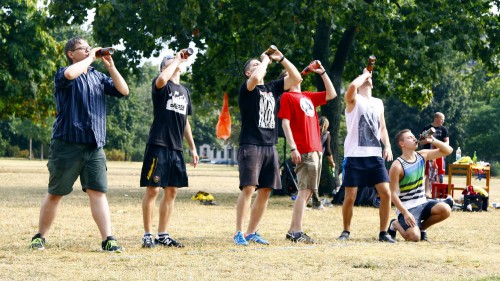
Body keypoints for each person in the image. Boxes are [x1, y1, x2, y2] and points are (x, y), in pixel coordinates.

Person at [29, 36, 129, 252]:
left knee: (97, 192)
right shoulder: (64, 74)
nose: (88, 50)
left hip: (94, 145)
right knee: (56, 192)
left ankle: (108, 239)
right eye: (82, 48)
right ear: (70, 54)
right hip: (67, 143)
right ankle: (40, 236)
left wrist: (111, 67)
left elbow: (124, 90)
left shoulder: (98, 77)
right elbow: (70, 73)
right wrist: (91, 57)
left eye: (89, 47)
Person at [234, 47, 302, 246]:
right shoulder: (248, 88)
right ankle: (238, 232)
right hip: (251, 144)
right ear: (248, 72)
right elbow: (255, 79)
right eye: (253, 65)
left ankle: (251, 232)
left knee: (265, 190)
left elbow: (297, 78)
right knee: (249, 188)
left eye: (259, 63)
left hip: (269, 145)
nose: (259, 66)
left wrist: (281, 58)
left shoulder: (272, 87)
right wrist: (263, 60)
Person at [139, 51, 199, 248]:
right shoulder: (161, 84)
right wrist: (176, 60)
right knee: (154, 189)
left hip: (176, 148)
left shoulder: (184, 91)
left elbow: (185, 121)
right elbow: (163, 77)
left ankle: (163, 234)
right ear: (165, 67)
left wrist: (192, 147)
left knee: (172, 191)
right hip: (159, 144)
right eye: (169, 61)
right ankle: (147, 234)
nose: (174, 62)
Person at [278, 63, 337, 243]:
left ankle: (293, 230)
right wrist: (293, 147)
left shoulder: (307, 96)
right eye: (290, 73)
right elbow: (285, 123)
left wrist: (323, 73)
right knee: (304, 190)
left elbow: (331, 94)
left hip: (316, 150)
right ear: (287, 80)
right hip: (304, 149)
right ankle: (296, 231)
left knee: (309, 191)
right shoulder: (287, 96)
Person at [338, 67, 395, 243]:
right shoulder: (354, 100)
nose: (369, 79)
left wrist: (388, 146)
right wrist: (363, 75)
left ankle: (383, 232)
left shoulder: (378, 102)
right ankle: (346, 230)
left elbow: (382, 127)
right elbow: (349, 90)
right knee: (350, 196)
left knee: (386, 193)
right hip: (355, 156)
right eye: (365, 79)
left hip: (375, 155)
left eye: (370, 78)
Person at [388, 129, 453, 241]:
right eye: (409, 137)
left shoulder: (422, 155)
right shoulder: (397, 166)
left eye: (414, 136)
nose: (414, 138)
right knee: (414, 237)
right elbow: (393, 194)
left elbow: (448, 150)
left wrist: (432, 140)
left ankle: (421, 228)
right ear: (401, 144)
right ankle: (395, 224)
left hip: (423, 203)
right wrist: (405, 213)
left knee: (446, 209)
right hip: (407, 208)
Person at [422, 112, 449, 196]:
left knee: (440, 173)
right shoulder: (427, 128)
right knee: (427, 173)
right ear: (436, 118)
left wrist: (443, 147)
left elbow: (447, 142)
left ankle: (438, 193)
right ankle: (427, 192)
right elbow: (421, 142)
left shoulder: (443, 129)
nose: (443, 121)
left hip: (439, 154)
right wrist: (425, 140)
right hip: (428, 154)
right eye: (442, 119)